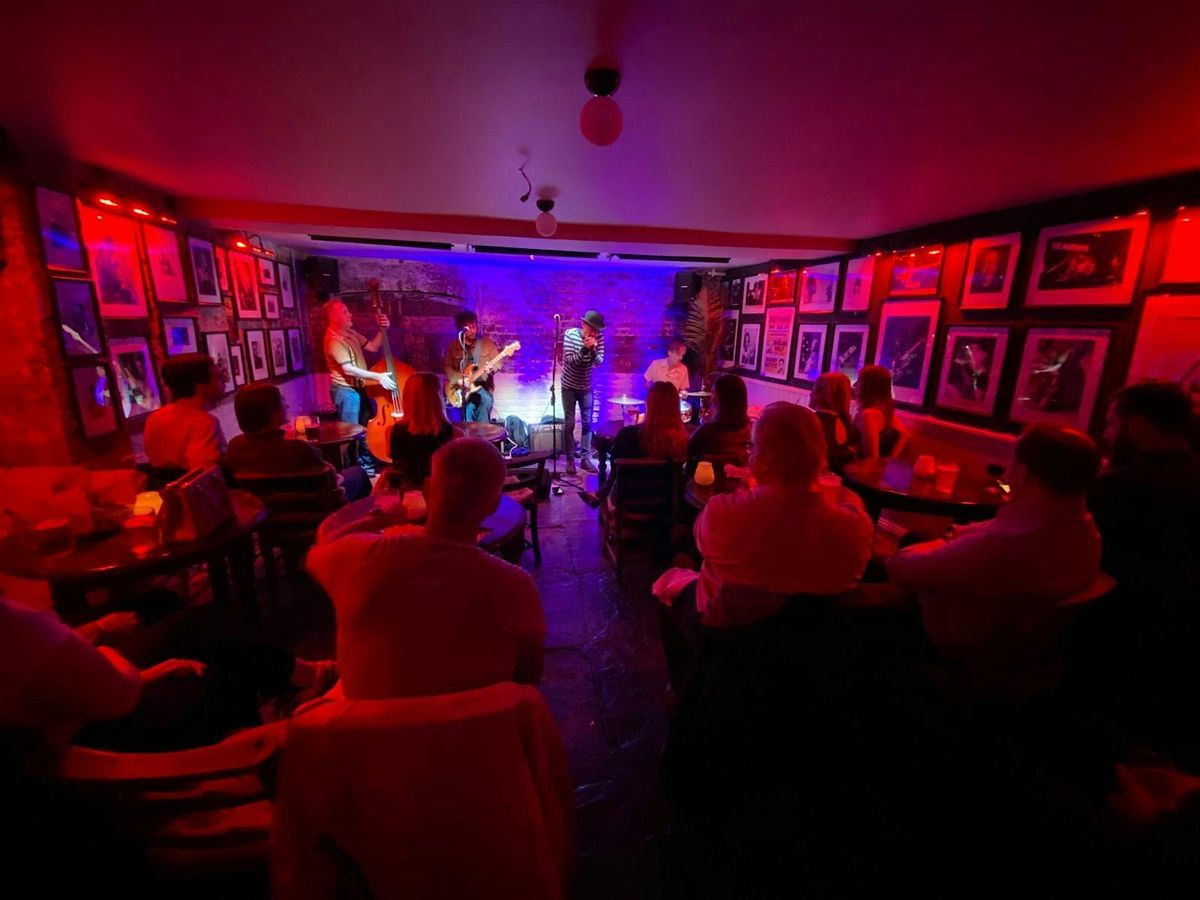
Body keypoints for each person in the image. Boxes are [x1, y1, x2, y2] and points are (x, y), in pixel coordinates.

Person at [307, 438, 546, 699]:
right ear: (493, 505)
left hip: (370, 732)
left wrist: (377, 520)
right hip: (476, 733)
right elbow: (528, 679)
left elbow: (321, 545)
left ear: (427, 489)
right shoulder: (517, 586)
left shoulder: (361, 559)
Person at [0, 595, 334, 751]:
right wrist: (139, 664)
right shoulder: (13, 628)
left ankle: (289, 679)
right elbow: (120, 694)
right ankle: (292, 688)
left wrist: (98, 628)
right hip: (102, 738)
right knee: (210, 656)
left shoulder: (17, 627)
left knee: (166, 605)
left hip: (79, 705)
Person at [886, 425, 1102, 662]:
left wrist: (947, 539)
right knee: (920, 538)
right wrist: (957, 535)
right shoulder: (1087, 533)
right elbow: (994, 522)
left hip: (963, 646)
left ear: (1023, 473)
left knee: (906, 550)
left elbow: (899, 566)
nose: (1007, 475)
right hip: (1026, 648)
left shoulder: (1005, 546)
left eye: (1012, 464)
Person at [226, 383, 370, 501]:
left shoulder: (234, 447)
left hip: (265, 518)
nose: (287, 406)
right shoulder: (299, 450)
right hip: (313, 514)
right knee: (358, 473)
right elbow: (332, 481)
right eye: (282, 401)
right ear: (272, 412)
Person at [583, 381, 688, 508]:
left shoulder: (628, 435)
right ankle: (601, 494)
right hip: (668, 504)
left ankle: (601, 495)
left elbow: (616, 472)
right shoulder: (682, 439)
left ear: (649, 405)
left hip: (629, 501)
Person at [143, 352, 226, 471]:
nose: (224, 382)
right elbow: (204, 472)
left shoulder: (154, 418)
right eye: (218, 378)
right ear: (200, 387)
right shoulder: (203, 423)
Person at [322, 298, 394, 427]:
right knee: (350, 432)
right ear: (334, 317)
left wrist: (383, 329)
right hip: (346, 391)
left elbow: (373, 347)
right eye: (345, 312)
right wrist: (378, 376)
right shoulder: (334, 340)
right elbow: (348, 369)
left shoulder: (351, 333)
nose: (350, 314)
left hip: (357, 388)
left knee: (363, 429)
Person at [385, 372, 462, 491]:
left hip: (404, 496)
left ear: (407, 397)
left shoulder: (391, 432)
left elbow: (392, 456)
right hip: (441, 496)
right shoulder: (455, 434)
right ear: (438, 397)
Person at [561, 309, 606, 475]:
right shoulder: (570, 335)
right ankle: (570, 460)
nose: (594, 332)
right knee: (570, 423)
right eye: (592, 328)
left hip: (586, 386)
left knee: (587, 422)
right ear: (583, 324)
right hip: (569, 386)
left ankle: (585, 459)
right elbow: (570, 361)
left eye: (597, 330)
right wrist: (584, 350)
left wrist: (593, 350)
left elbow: (600, 361)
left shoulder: (599, 337)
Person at [443, 310, 501, 424]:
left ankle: (483, 437)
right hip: (461, 388)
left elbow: (498, 363)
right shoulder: (454, 345)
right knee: (465, 414)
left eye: (474, 326)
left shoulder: (486, 343)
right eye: (468, 327)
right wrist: (459, 379)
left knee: (485, 402)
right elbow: (447, 367)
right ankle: (467, 438)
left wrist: (491, 369)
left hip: (482, 386)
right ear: (461, 329)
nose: (473, 330)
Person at [687, 373, 750, 473]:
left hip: (704, 485)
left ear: (721, 400)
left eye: (714, 394)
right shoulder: (749, 430)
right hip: (735, 485)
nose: (712, 399)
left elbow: (687, 453)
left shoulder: (707, 432)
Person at [854, 364, 908, 459]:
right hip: (881, 470)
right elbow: (904, 435)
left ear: (869, 387)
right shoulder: (885, 411)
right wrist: (890, 461)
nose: (855, 385)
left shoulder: (869, 414)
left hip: (862, 471)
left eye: (859, 381)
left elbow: (871, 458)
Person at [810, 372, 859, 473]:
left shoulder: (814, 422)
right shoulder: (847, 423)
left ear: (822, 394)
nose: (810, 393)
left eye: (814, 389)